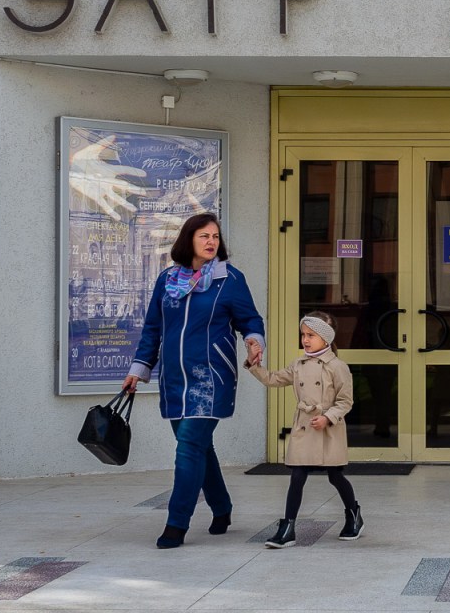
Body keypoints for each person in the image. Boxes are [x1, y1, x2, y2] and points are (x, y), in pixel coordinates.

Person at [121, 212, 265, 549]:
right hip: (174, 378)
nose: (212, 241)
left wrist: (254, 340)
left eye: (215, 236)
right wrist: (139, 369)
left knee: (188, 448)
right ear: (189, 240)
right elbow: (153, 328)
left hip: (211, 376)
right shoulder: (168, 279)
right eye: (204, 236)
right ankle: (222, 507)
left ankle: (176, 523)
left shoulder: (230, 280)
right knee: (199, 446)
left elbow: (249, 318)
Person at [246, 310, 364, 548]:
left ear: (326, 339)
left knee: (335, 476)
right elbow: (272, 379)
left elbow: (345, 401)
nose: (305, 340)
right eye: (303, 334)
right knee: (297, 477)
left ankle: (353, 515)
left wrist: (327, 418)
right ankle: (288, 527)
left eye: (311, 335)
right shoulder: (298, 364)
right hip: (304, 427)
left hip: (328, 430)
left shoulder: (338, 367)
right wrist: (253, 363)